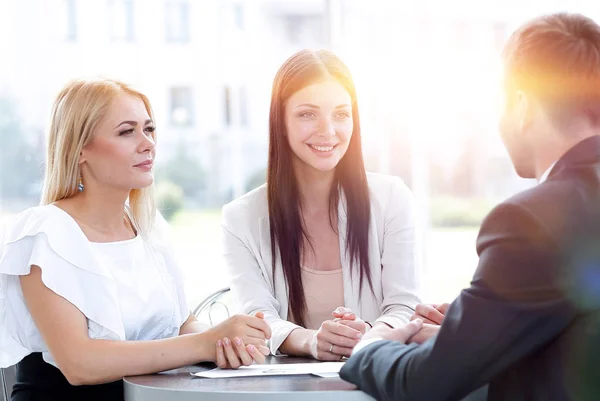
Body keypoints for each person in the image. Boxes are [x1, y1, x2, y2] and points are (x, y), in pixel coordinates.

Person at [339, 12, 600, 401]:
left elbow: (425, 384)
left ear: (522, 105)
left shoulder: (532, 220)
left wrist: (369, 348)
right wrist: (479, 333)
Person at [0, 78, 270, 401]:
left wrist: (229, 340)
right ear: (80, 148)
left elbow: (182, 325)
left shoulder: (148, 228)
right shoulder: (44, 234)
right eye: (127, 132)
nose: (147, 143)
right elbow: (79, 363)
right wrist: (204, 343)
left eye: (149, 129)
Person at [221, 49, 421, 360]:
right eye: (307, 114)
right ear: (280, 121)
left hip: (374, 378)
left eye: (341, 114)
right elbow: (258, 320)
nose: (328, 131)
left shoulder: (392, 198)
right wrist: (312, 341)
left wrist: (366, 337)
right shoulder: (240, 219)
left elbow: (403, 306)